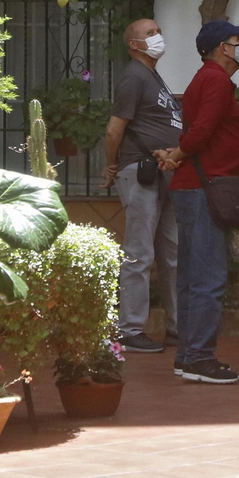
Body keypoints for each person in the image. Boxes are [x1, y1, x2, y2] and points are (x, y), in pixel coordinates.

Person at [156, 19, 239, 385]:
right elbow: (202, 131)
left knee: (192, 277)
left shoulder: (205, 78)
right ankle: (199, 357)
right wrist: (177, 156)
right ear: (223, 48)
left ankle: (187, 354)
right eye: (237, 40)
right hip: (202, 187)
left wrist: (175, 156)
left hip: (194, 186)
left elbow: (198, 131)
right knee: (209, 277)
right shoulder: (215, 80)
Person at [102, 19, 183, 353]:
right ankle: (130, 330)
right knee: (139, 254)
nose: (157, 36)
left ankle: (178, 327)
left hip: (165, 173)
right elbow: (114, 130)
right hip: (141, 171)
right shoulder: (134, 77)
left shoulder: (152, 76)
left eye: (158, 31)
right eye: (149, 33)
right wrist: (112, 164)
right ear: (133, 45)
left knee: (173, 252)